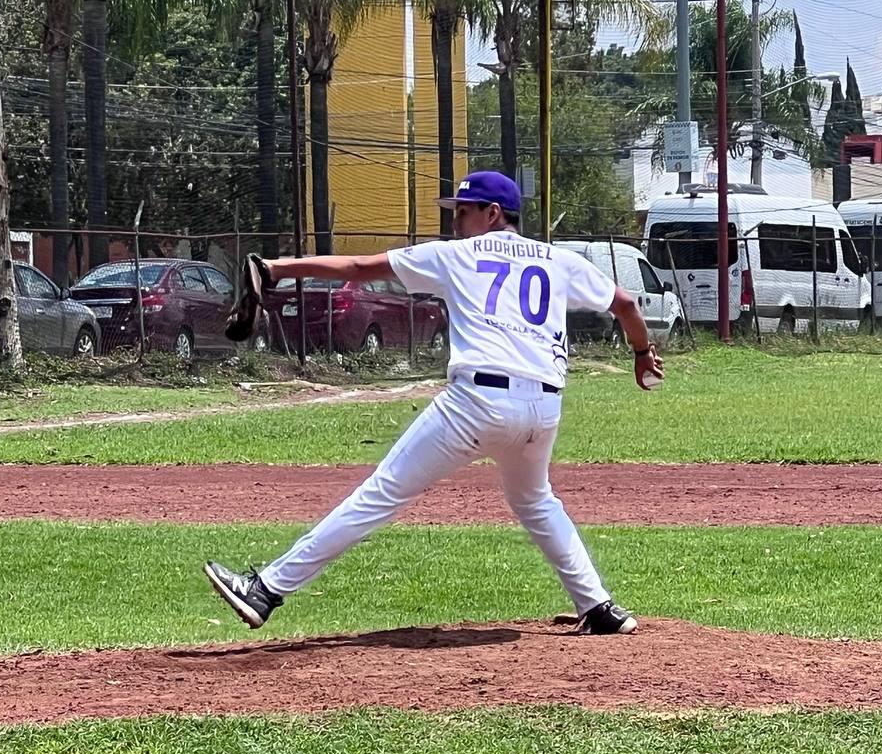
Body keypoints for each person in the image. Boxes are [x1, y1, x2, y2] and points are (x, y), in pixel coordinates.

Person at [205, 171, 663, 635]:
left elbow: (359, 269)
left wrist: (279, 269)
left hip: (478, 403)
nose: (457, 221)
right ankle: (599, 606)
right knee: (536, 500)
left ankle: (264, 590)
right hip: (542, 409)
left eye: (463, 212)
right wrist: (643, 354)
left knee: (382, 492)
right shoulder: (558, 260)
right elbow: (624, 303)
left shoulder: (457, 255)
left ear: (493, 214)